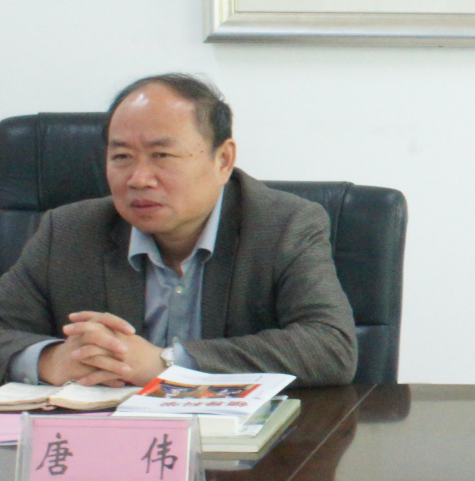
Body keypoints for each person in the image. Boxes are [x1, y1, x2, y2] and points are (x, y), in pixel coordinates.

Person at [0, 73, 357, 387]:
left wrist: (166, 363)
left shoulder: (284, 225)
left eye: (162, 156)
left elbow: (330, 346)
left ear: (223, 160)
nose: (139, 179)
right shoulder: (68, 231)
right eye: (121, 157)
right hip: (104, 436)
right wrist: (50, 360)